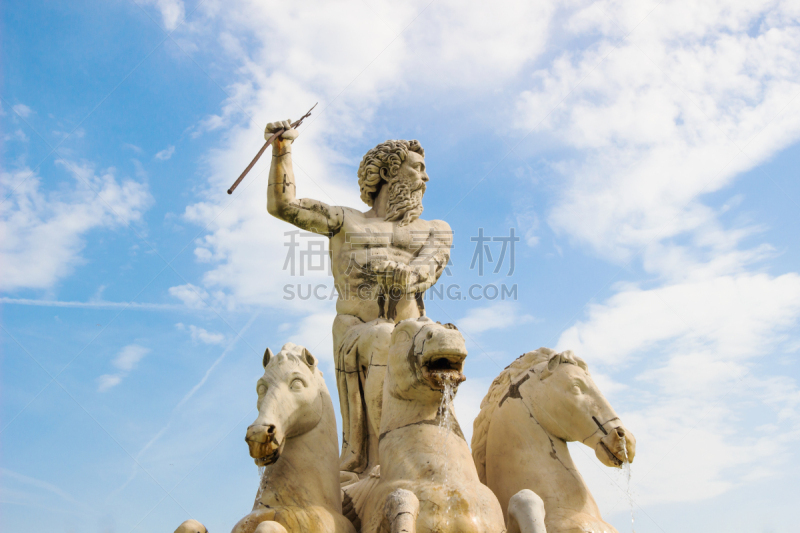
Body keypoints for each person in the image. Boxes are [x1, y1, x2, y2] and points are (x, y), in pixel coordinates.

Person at [264, 120, 452, 477]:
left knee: (445, 342)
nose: (425, 180)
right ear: (387, 172)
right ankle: (375, 456)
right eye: (418, 168)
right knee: (383, 337)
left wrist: (405, 275)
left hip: (413, 331)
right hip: (358, 332)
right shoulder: (343, 221)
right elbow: (284, 205)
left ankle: (440, 450)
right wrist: (281, 150)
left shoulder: (435, 230)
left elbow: (429, 268)